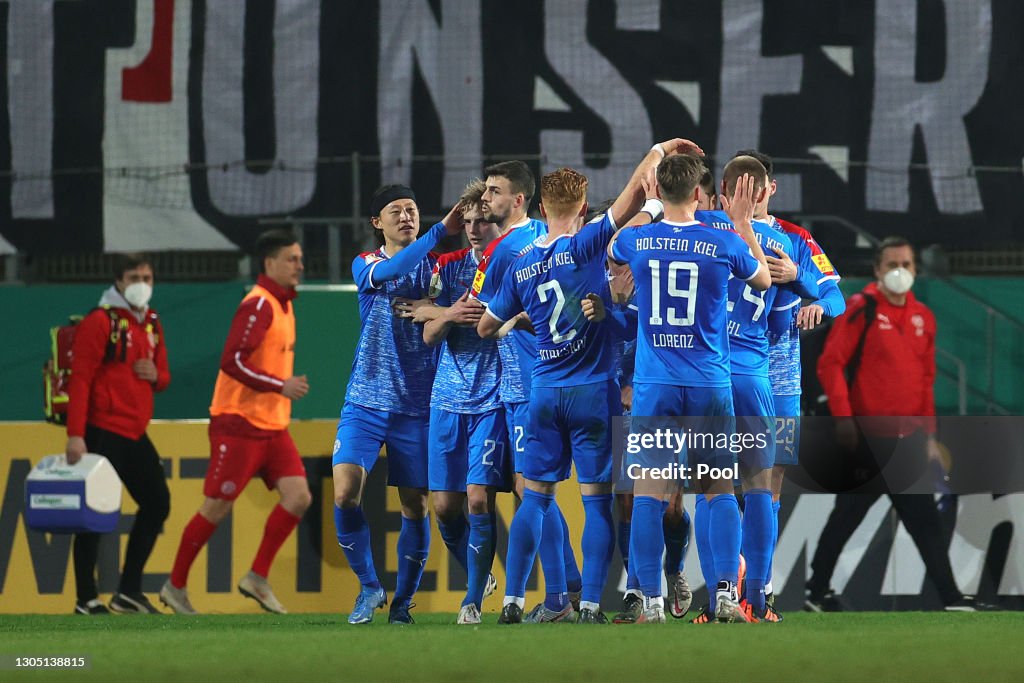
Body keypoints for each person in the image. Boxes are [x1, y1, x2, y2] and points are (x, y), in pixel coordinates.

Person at [480, 142, 695, 624]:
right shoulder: (585, 245)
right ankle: (593, 605)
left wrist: (527, 318)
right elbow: (628, 204)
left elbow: (484, 327)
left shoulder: (520, 264)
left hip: (543, 391)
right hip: (594, 392)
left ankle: (514, 600)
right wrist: (656, 161)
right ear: (581, 208)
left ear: (539, 209)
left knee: (533, 498)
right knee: (597, 503)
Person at [608, 153, 771, 623]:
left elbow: (613, 244)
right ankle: (724, 595)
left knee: (649, 493)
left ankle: (652, 602)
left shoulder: (640, 238)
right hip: (709, 383)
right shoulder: (721, 241)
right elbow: (761, 279)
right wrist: (742, 225)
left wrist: (650, 204)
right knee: (719, 488)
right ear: (699, 195)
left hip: (655, 384)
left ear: (661, 192)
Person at [806, 237, 993, 612]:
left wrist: (928, 435)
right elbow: (830, 364)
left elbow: (925, 381)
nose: (899, 271)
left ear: (915, 270)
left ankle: (950, 597)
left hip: (907, 440)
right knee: (851, 516)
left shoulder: (923, 316)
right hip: (867, 437)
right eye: (892, 264)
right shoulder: (862, 308)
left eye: (906, 264)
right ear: (877, 269)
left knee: (920, 522)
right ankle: (817, 590)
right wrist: (843, 420)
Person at [160, 230, 312, 615]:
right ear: (270, 264)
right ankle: (174, 586)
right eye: (291, 259)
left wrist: (279, 394)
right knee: (216, 508)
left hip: (272, 426)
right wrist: (281, 385)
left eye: (299, 258)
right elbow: (233, 361)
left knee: (298, 496)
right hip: (239, 422)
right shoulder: (259, 304)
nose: (300, 265)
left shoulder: (284, 304)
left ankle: (257, 577)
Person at [332, 185, 464, 625]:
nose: (407, 216)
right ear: (377, 223)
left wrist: (438, 308)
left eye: (412, 209)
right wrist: (440, 230)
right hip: (365, 401)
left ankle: (403, 604)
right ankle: (370, 587)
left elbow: (461, 307)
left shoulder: (440, 268)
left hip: (418, 405)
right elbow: (396, 268)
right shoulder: (368, 264)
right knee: (346, 492)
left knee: (414, 506)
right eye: (396, 211)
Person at [470, 161, 585, 620]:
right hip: (562, 377)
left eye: (494, 192)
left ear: (518, 200)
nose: (486, 200)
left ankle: (557, 594)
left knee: (532, 490)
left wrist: (431, 314)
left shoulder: (502, 254)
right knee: (544, 492)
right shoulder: (546, 234)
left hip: (525, 384)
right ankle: (572, 586)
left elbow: (476, 315)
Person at [738, 149, 846, 612]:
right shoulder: (714, 232)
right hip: (730, 370)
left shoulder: (796, 239)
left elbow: (837, 298)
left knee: (772, 478)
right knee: (726, 479)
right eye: (739, 184)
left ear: (769, 189)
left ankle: (755, 585)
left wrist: (804, 284)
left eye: (755, 184)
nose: (749, 193)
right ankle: (734, 584)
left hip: (782, 378)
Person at [65, 253, 171, 615]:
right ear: (119, 282)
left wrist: (153, 375)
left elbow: (164, 376)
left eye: (147, 276)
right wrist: (76, 435)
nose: (142, 282)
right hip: (102, 429)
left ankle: (127, 592)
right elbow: (80, 379)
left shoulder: (151, 322)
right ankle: (86, 599)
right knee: (94, 513)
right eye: (134, 276)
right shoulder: (99, 322)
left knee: (157, 503)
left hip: (133, 430)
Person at [423, 179, 506, 625]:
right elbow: (428, 334)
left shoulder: (510, 261)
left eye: (483, 220)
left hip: (492, 400)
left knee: (478, 500)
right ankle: (479, 576)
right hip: (447, 398)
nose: (473, 228)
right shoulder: (450, 266)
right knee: (444, 507)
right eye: (468, 221)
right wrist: (448, 314)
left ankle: (471, 600)